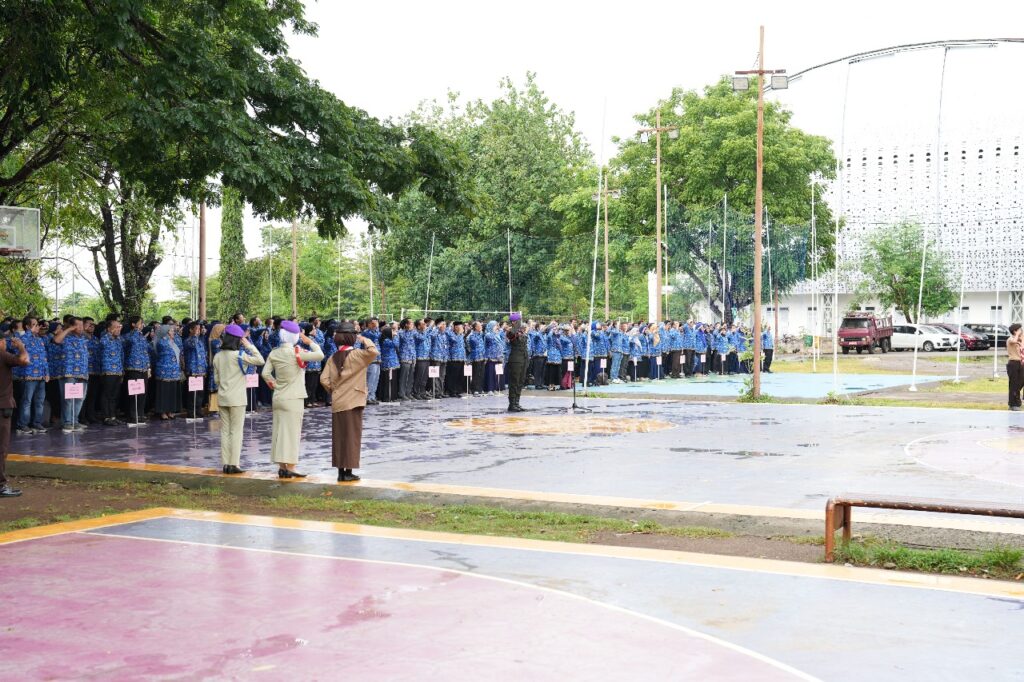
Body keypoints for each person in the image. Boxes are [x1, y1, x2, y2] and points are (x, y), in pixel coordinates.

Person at [262, 320, 323, 478]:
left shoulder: (274, 352)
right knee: (293, 433)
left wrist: (275, 385)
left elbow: (265, 374)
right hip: (294, 397)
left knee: (280, 432)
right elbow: (320, 354)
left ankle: (282, 466)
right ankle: (291, 467)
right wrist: (309, 340)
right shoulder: (296, 352)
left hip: (278, 397)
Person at [320, 321, 379, 482]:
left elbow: (324, 379)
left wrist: (334, 390)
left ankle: (340, 472)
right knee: (352, 438)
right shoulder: (358, 355)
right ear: (351, 338)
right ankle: (348, 472)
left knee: (339, 438)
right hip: (353, 401)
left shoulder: (333, 357)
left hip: (338, 402)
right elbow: (374, 352)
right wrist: (364, 339)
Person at [212, 324, 265, 474]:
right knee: (236, 432)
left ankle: (226, 464)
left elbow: (216, 380)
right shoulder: (239, 356)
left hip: (223, 397)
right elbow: (260, 360)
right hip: (237, 399)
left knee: (225, 431)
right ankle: (234, 463)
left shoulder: (217, 356)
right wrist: (248, 345)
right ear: (238, 340)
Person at [0, 335, 29, 497]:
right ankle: (1, 486)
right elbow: (24, 361)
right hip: (2, 405)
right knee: (1, 448)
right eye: (3, 341)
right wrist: (21, 347)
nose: (5, 344)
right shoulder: (2, 355)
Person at [13, 317, 47, 434]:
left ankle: (37, 423)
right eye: (35, 325)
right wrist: (29, 333)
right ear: (27, 326)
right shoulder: (22, 338)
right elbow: (19, 350)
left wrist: (46, 373)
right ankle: (22, 425)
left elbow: (44, 358)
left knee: (39, 401)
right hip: (28, 375)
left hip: (41, 375)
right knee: (27, 401)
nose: (38, 327)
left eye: (38, 324)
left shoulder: (40, 340)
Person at [152, 321, 183, 420]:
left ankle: (170, 410)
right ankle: (162, 411)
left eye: (174, 330)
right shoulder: (162, 342)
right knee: (164, 392)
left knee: (172, 391)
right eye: (171, 330)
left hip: (174, 370)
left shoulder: (174, 341)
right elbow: (164, 350)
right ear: (166, 332)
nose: (173, 332)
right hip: (164, 370)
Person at [98, 319, 124, 425]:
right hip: (108, 371)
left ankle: (113, 416)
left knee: (114, 395)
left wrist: (122, 370)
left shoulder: (118, 340)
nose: (119, 329)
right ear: (109, 328)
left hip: (118, 370)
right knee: (107, 394)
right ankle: (106, 417)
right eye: (116, 327)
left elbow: (121, 355)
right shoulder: (104, 339)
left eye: (119, 327)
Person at [505, 313, 529, 411]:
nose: (521, 322)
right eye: (519, 320)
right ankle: (512, 404)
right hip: (515, 360)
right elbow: (511, 336)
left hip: (523, 359)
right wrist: (515, 326)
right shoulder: (511, 331)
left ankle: (517, 402)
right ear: (515, 321)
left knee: (520, 382)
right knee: (514, 382)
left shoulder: (520, 331)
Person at [1007, 323, 1023, 412]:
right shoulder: (1010, 339)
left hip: (1019, 363)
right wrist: (1017, 334)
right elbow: (1013, 341)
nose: (1021, 331)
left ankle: (1017, 401)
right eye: (1020, 329)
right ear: (1015, 331)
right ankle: (1012, 404)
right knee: (1013, 384)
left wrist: (1020, 336)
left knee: (1019, 383)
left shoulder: (1018, 340)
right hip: (1013, 363)